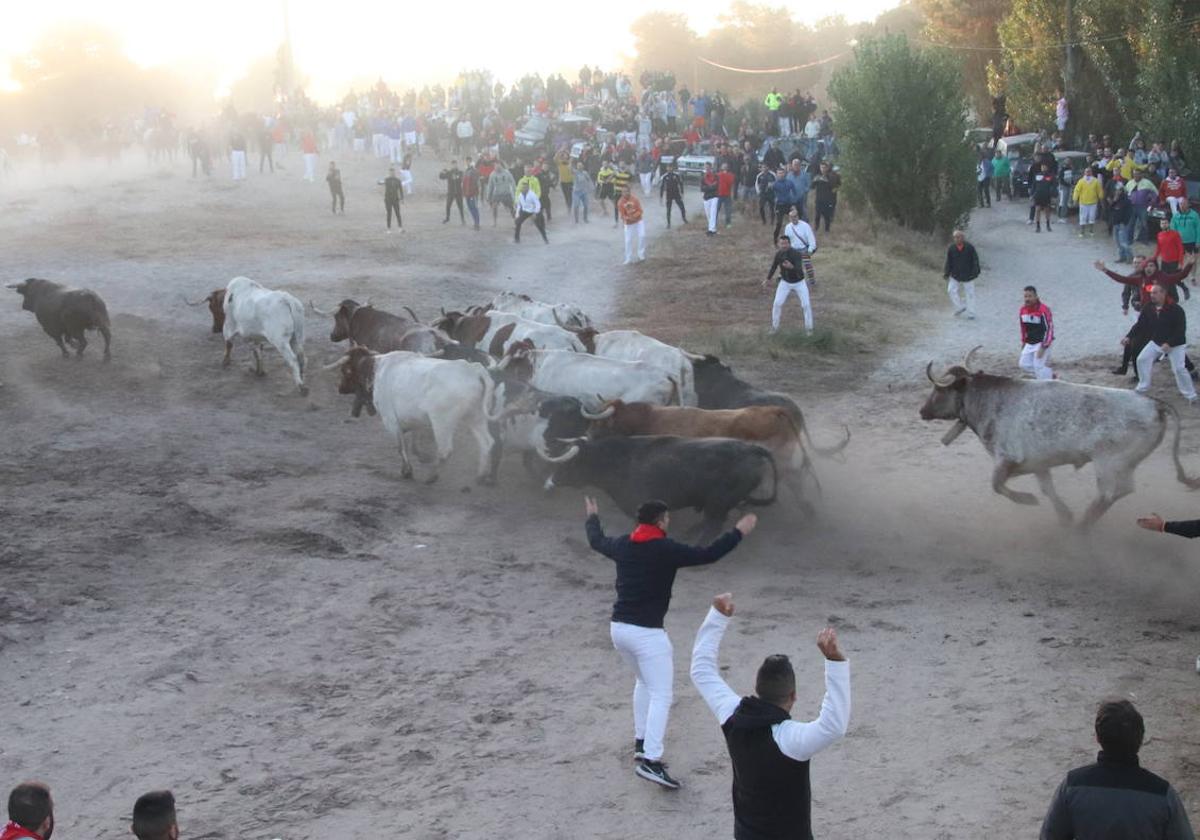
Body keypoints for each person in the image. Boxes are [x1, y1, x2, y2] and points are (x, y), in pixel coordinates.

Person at [585, 496, 757, 790]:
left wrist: (592, 517)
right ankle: (651, 761)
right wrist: (739, 531)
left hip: (619, 630)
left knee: (644, 682)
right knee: (662, 695)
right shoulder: (665, 549)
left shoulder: (625, 544)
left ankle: (641, 743)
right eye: (667, 519)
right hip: (647, 635)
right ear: (660, 521)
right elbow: (709, 555)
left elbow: (597, 541)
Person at [691, 592, 849, 840]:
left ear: (758, 689)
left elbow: (701, 670)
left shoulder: (732, 715)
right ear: (793, 695)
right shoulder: (791, 739)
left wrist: (717, 617)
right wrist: (835, 662)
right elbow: (833, 726)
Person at [1040, 699, 1193, 840]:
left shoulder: (1072, 786)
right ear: (1140, 739)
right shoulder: (1163, 794)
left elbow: (1049, 836)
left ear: (1098, 738)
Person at [1131, 282, 1196, 403]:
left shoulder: (1176, 309)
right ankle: (1142, 387)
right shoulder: (1148, 307)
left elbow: (1180, 331)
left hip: (1176, 344)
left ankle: (1191, 395)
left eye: (1155, 293)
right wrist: (1128, 337)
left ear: (1163, 294)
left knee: (1179, 369)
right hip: (1157, 342)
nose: (1152, 295)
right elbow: (1140, 325)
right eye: (1151, 293)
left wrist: (1169, 343)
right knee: (1142, 359)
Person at [765, 233, 814, 334]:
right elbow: (774, 267)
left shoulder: (796, 254)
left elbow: (800, 270)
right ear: (779, 244)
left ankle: (809, 329)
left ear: (789, 244)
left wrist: (791, 267)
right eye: (782, 244)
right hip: (785, 282)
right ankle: (775, 328)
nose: (784, 246)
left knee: (806, 305)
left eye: (786, 243)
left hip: (799, 282)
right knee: (777, 303)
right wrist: (768, 279)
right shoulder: (778, 254)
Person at [1019, 286, 1055, 380]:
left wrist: (1044, 346)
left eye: (1030, 296)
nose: (1027, 299)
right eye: (1025, 296)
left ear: (1036, 297)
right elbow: (1023, 328)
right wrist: (1023, 342)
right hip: (1030, 342)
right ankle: (1049, 375)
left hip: (1041, 342)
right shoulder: (1022, 310)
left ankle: (1047, 381)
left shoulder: (1043, 310)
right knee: (1023, 364)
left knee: (1038, 366)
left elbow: (1049, 329)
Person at [944, 230, 981, 319]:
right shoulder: (951, 248)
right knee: (950, 290)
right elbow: (948, 261)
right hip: (955, 274)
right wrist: (946, 273)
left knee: (970, 294)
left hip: (968, 275)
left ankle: (971, 313)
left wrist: (975, 272)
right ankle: (960, 306)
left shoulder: (970, 247)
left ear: (962, 238)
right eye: (955, 237)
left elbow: (975, 261)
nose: (956, 239)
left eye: (958, 237)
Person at [616, 185, 647, 264]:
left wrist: (634, 216)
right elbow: (622, 215)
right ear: (622, 193)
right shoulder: (620, 202)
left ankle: (641, 254)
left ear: (630, 191)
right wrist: (628, 218)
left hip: (638, 221)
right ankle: (628, 258)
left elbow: (640, 210)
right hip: (628, 223)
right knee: (628, 241)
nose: (626, 193)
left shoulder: (635, 199)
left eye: (627, 191)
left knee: (642, 236)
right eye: (624, 192)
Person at [1072, 166, 1104, 237]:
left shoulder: (1096, 181)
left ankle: (1091, 231)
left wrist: (1101, 199)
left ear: (1091, 172)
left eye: (1089, 171)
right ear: (1084, 172)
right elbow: (1077, 191)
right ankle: (1082, 231)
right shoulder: (1081, 181)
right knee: (1082, 217)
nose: (1088, 173)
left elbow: (1099, 191)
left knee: (1092, 217)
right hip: (1083, 202)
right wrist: (1075, 199)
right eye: (1086, 171)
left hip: (1093, 202)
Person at [811, 161, 840, 232]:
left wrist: (827, 181)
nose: (823, 169)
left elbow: (834, 187)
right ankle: (816, 229)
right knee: (817, 215)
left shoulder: (831, 176)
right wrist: (814, 181)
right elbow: (812, 187)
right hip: (819, 199)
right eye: (821, 167)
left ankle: (827, 230)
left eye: (824, 167)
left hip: (827, 200)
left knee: (827, 216)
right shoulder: (817, 176)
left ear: (827, 168)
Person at [486, 160, 516, 226]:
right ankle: (494, 222)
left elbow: (512, 182)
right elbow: (490, 186)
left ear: (500, 165)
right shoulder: (492, 174)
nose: (496, 167)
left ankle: (515, 221)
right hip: (497, 194)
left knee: (511, 208)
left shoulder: (507, 172)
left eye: (497, 165)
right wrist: (488, 196)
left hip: (506, 193)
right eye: (495, 165)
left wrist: (515, 191)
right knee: (494, 206)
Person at [659, 163, 687, 228]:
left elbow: (681, 184)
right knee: (668, 209)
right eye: (668, 167)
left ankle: (684, 218)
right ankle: (668, 223)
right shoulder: (664, 176)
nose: (669, 169)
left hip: (676, 193)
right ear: (666, 168)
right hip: (669, 194)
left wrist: (682, 193)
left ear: (673, 168)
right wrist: (661, 197)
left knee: (682, 207)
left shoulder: (676, 175)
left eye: (671, 167)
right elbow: (662, 187)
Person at [1031, 161, 1056, 232]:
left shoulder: (1051, 176)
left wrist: (1053, 195)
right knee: (1037, 209)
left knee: (1047, 210)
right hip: (1038, 195)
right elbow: (1034, 186)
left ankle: (1048, 225)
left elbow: (1054, 186)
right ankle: (1038, 226)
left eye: (1045, 166)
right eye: (1042, 166)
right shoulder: (1037, 175)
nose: (1043, 168)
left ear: (1047, 168)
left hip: (1047, 195)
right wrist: (1031, 194)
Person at [439, 160, 465, 225]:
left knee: (460, 207)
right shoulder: (449, 173)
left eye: (455, 164)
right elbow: (441, 177)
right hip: (451, 192)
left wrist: (459, 177)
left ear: (457, 165)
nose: (454, 166)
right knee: (448, 206)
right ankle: (447, 218)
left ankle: (463, 219)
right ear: (451, 165)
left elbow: (462, 178)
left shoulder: (460, 172)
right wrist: (442, 170)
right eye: (453, 165)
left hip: (458, 192)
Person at [380, 167, 404, 232]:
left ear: (394, 173)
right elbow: (381, 183)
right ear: (389, 173)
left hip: (395, 199)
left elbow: (401, 190)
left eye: (393, 172)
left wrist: (402, 198)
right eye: (390, 172)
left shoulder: (398, 180)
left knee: (398, 213)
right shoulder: (386, 180)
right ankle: (388, 228)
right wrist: (379, 182)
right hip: (388, 200)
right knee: (389, 214)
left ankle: (400, 228)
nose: (392, 173)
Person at [701, 163, 720, 236]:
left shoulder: (715, 176)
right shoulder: (703, 177)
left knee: (713, 213)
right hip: (706, 197)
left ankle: (711, 230)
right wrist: (711, 186)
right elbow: (702, 188)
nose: (707, 169)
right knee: (708, 214)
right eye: (706, 167)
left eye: (708, 167)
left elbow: (716, 186)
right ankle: (713, 229)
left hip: (714, 196)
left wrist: (708, 187)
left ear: (711, 167)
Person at [462, 160, 481, 230]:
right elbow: (463, 183)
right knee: (470, 208)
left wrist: (475, 193)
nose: (467, 163)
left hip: (472, 194)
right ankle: (475, 222)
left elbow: (476, 183)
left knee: (474, 208)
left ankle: (477, 223)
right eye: (466, 162)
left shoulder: (474, 171)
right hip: (467, 194)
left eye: (468, 162)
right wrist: (463, 192)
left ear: (471, 162)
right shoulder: (465, 172)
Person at [717, 162, 737, 228]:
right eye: (723, 166)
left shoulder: (731, 175)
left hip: (727, 195)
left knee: (728, 210)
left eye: (726, 166)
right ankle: (713, 222)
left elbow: (731, 183)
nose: (724, 167)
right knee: (716, 209)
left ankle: (728, 223)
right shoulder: (718, 175)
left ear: (728, 168)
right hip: (718, 195)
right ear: (721, 167)